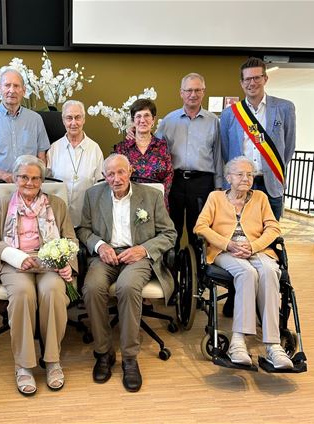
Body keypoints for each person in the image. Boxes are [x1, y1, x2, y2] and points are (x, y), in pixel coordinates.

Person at [77, 154, 177, 392]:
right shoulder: (93, 195)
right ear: (104, 176)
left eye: (121, 172)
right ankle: (104, 353)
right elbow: (83, 229)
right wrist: (100, 246)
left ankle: (130, 358)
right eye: (110, 174)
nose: (116, 178)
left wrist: (143, 249)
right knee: (92, 288)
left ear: (130, 171)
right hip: (106, 255)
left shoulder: (151, 196)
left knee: (128, 286)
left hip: (138, 256)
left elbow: (169, 234)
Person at [0, 155, 77, 396]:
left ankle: (52, 360)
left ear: (42, 180)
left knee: (52, 291)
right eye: (24, 177)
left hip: (49, 262)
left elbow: (71, 239)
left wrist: (67, 263)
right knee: (23, 293)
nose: (29, 182)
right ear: (15, 178)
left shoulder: (57, 204)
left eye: (35, 178)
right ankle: (23, 365)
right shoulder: (4, 203)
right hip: (17, 262)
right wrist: (17, 257)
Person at [194, 156, 293, 370]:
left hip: (257, 250)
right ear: (229, 177)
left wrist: (255, 246)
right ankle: (238, 342)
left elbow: (273, 228)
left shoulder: (260, 198)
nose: (246, 179)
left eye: (249, 174)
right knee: (247, 273)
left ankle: (273, 345)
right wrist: (228, 244)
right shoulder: (216, 197)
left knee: (269, 271)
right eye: (240, 174)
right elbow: (200, 227)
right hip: (225, 251)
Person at [220, 57, 296, 220]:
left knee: (270, 233)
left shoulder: (284, 108)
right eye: (247, 79)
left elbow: (288, 147)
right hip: (240, 183)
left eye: (256, 78)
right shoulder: (230, 113)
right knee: (239, 231)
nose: (252, 83)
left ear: (265, 79)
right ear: (242, 83)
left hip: (271, 183)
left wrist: (273, 165)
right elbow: (226, 151)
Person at [0, 67, 50, 218]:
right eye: (7, 85)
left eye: (16, 86)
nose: (11, 90)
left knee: (29, 231)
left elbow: (42, 158)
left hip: (30, 187)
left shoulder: (35, 120)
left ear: (24, 90)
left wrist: (32, 181)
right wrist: (4, 175)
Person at [156, 73, 223, 249]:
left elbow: (218, 155)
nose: (193, 94)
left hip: (202, 182)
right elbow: (153, 147)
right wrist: (133, 130)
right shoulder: (168, 121)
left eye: (197, 90)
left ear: (203, 92)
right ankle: (171, 270)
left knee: (199, 229)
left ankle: (198, 273)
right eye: (189, 90)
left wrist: (218, 186)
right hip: (174, 182)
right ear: (181, 93)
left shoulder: (214, 121)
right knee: (172, 228)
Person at [47, 100, 104, 227]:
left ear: (84, 119)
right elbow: (47, 184)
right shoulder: (54, 149)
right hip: (57, 219)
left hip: (86, 220)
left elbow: (100, 186)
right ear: (63, 121)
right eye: (69, 118)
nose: (74, 123)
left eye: (78, 117)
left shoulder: (95, 149)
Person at [113, 99, 173, 209]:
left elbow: (169, 175)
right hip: (129, 204)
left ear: (153, 119)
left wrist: (159, 198)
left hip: (157, 203)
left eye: (147, 116)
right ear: (133, 121)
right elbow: (116, 176)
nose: (142, 120)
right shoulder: (122, 149)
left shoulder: (162, 146)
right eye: (138, 116)